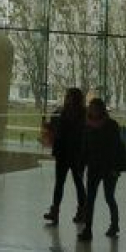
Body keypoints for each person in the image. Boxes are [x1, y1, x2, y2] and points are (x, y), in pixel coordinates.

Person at [77, 98, 126, 242]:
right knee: (90, 199)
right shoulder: (87, 125)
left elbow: (116, 148)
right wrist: (81, 166)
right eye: (90, 108)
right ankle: (88, 229)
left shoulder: (111, 125)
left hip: (109, 168)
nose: (91, 110)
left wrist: (116, 168)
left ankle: (114, 225)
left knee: (109, 197)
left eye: (94, 108)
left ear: (101, 110)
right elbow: (85, 147)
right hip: (94, 167)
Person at [43, 87, 87, 226]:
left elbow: (79, 132)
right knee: (60, 183)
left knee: (78, 183)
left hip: (75, 153)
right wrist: (50, 127)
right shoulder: (63, 112)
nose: (67, 98)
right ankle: (55, 211)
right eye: (67, 96)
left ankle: (81, 211)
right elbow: (58, 129)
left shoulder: (81, 114)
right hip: (63, 152)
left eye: (69, 96)